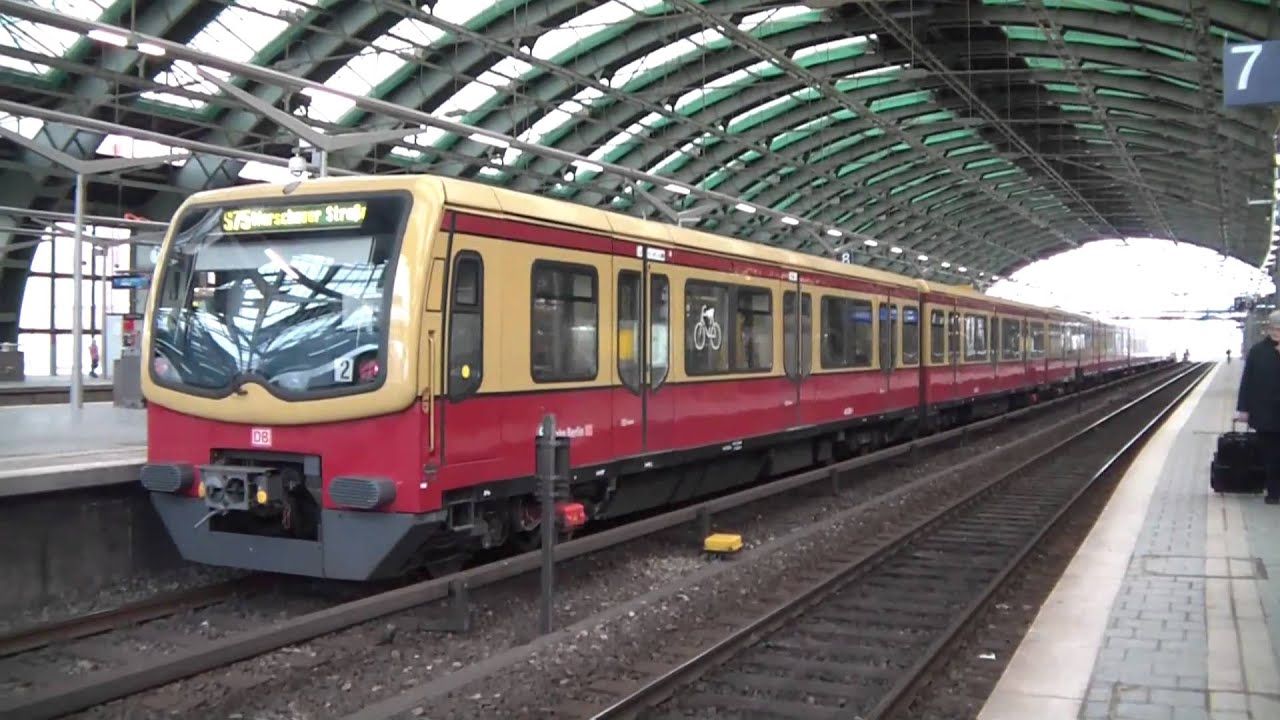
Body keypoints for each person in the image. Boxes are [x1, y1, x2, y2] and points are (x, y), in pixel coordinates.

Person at [1236, 309, 1280, 504]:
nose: (1278, 333)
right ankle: (1273, 492)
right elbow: (1247, 381)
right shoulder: (1258, 352)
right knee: (1271, 455)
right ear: (1268, 329)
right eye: (1275, 329)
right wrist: (1243, 409)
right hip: (1265, 413)